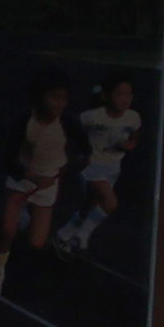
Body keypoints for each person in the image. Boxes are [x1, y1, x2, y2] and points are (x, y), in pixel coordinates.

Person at [0, 80, 72, 299]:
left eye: (63, 97)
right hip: (23, 181)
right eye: (54, 97)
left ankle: (24, 218)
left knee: (37, 242)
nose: (59, 103)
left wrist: (66, 169)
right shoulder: (24, 123)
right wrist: (31, 176)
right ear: (40, 98)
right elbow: (9, 160)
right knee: (7, 230)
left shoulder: (68, 124)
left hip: (47, 186)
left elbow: (82, 151)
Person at [63, 78, 147, 259]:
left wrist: (128, 145)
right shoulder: (91, 117)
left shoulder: (133, 117)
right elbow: (71, 132)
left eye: (129, 94)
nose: (126, 99)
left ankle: (64, 234)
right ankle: (81, 237)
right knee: (110, 203)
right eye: (120, 94)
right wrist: (75, 156)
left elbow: (135, 138)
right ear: (106, 96)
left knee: (90, 206)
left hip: (113, 168)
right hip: (92, 167)